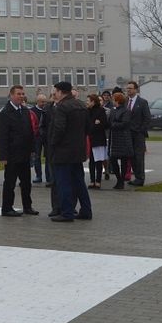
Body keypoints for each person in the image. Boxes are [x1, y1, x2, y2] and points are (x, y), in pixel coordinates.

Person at [49, 81, 92, 222]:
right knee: (79, 182)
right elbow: (88, 128)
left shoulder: (61, 107)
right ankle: (86, 210)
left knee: (64, 183)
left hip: (63, 151)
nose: (54, 94)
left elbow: (59, 129)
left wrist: (53, 144)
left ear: (61, 92)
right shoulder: (81, 105)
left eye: (55, 91)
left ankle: (67, 212)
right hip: (78, 150)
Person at [0, 84, 38, 217]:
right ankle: (7, 207)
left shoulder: (25, 111)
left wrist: (32, 149)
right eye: (18, 94)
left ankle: (27, 206)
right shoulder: (5, 113)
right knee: (10, 182)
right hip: (12, 154)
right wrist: (3, 156)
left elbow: (29, 132)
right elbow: (2, 136)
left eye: (22, 94)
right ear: (12, 95)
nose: (21, 96)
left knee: (26, 182)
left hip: (24, 153)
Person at [125, 81, 150, 186]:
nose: (128, 90)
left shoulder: (142, 102)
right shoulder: (125, 102)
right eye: (127, 88)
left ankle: (140, 178)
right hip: (127, 134)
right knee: (131, 156)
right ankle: (136, 177)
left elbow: (147, 118)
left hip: (138, 134)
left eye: (130, 88)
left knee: (139, 156)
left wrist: (141, 130)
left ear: (136, 89)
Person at [107, 92, 132, 189]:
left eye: (114, 99)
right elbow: (109, 122)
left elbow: (125, 123)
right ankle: (119, 179)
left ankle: (121, 180)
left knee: (124, 161)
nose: (112, 101)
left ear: (117, 100)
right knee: (113, 160)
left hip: (123, 139)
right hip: (114, 139)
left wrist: (113, 125)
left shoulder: (126, 111)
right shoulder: (113, 111)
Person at [85, 93, 107, 189]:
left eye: (88, 101)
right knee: (91, 162)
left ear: (93, 102)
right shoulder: (87, 111)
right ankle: (92, 180)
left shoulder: (101, 110)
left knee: (98, 161)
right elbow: (86, 124)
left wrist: (95, 125)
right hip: (89, 139)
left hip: (98, 139)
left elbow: (104, 124)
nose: (86, 103)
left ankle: (98, 181)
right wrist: (94, 124)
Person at [30, 94, 48, 183]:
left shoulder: (48, 110)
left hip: (46, 136)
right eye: (42, 102)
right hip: (37, 137)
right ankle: (38, 175)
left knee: (48, 156)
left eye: (45, 101)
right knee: (37, 157)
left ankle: (49, 176)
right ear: (37, 101)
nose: (44, 103)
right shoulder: (32, 111)